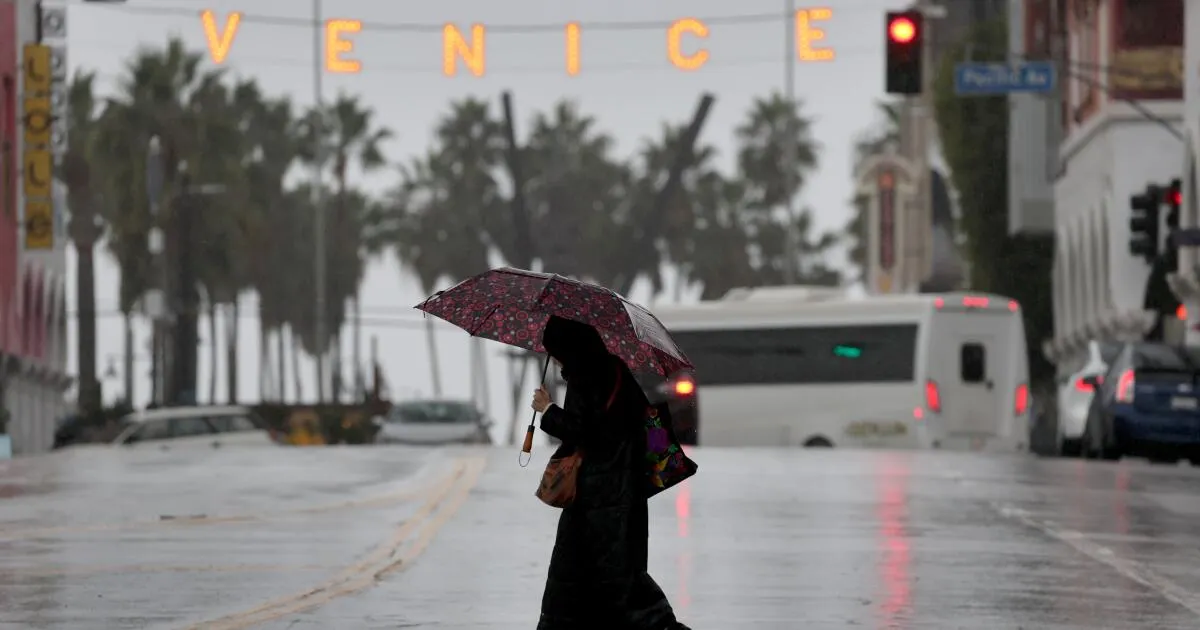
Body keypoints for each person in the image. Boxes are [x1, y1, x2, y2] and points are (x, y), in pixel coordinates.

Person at [531, 316, 690, 630]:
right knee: (621, 576)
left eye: (557, 349)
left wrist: (548, 410)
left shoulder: (583, 375)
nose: (558, 357)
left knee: (584, 578)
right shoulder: (615, 370)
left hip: (594, 496)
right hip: (626, 492)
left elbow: (586, 432)